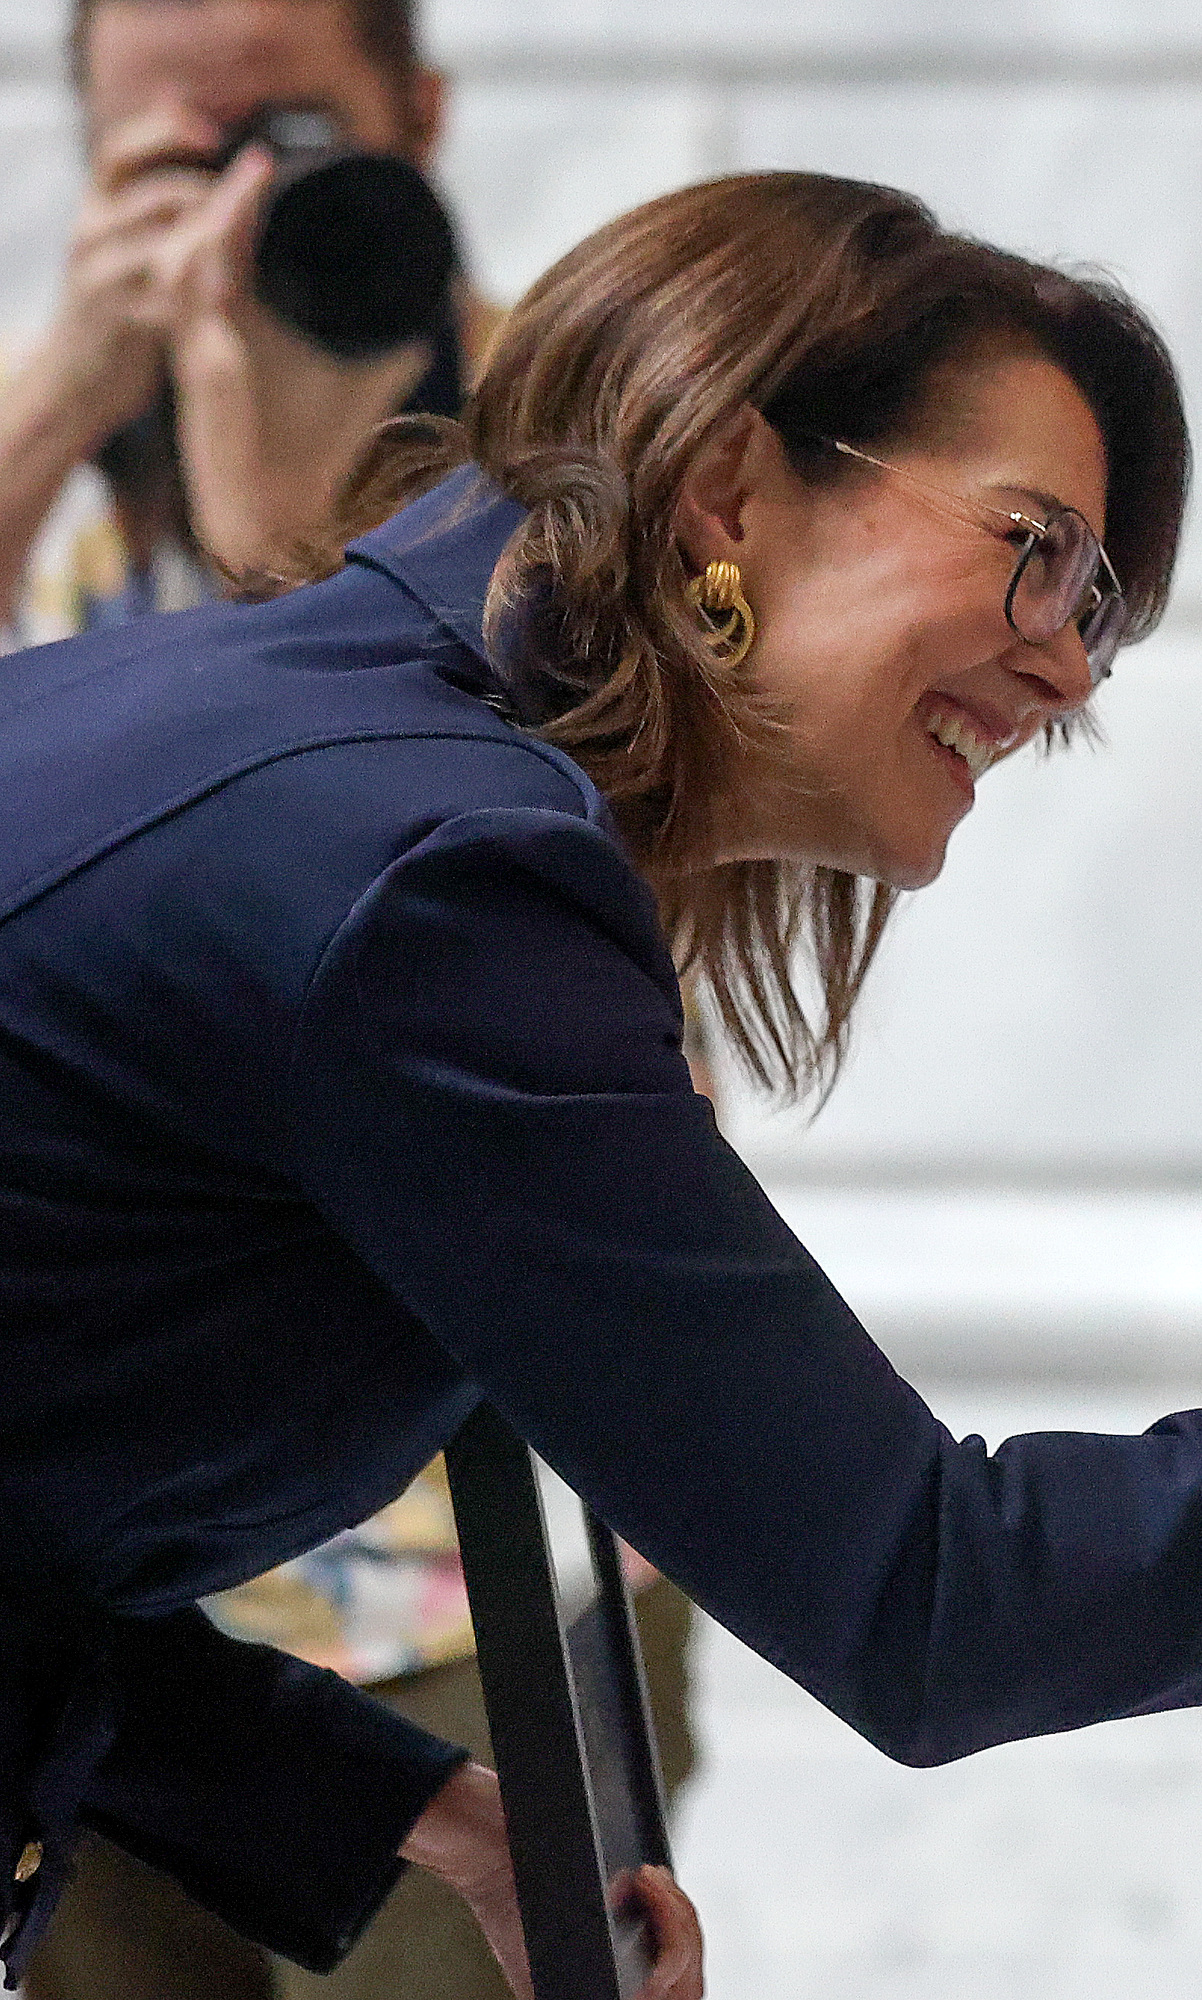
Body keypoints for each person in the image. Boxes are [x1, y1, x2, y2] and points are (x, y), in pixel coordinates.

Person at [0, 168, 1202, 1993]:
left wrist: (417, 1812)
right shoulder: (427, 880)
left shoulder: (264, 728)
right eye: (1037, 550)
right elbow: (938, 1600)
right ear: (728, 484)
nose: (1071, 664)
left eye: (1104, 608)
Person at [0, 9, 702, 1996]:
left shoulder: (582, 463)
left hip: (459, 1576)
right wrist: (64, 389)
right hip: (79, 1589)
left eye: (296, 125)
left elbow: (526, 927)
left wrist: (273, 535)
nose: (251, 192)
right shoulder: (24, 435)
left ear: (423, 115)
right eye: (181, 145)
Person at [2, 0, 499, 642]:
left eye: (291, 141)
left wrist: (276, 554)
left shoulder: (564, 407)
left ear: (423, 115)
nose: (232, 215)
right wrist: (52, 417)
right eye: (177, 164)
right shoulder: (32, 406)